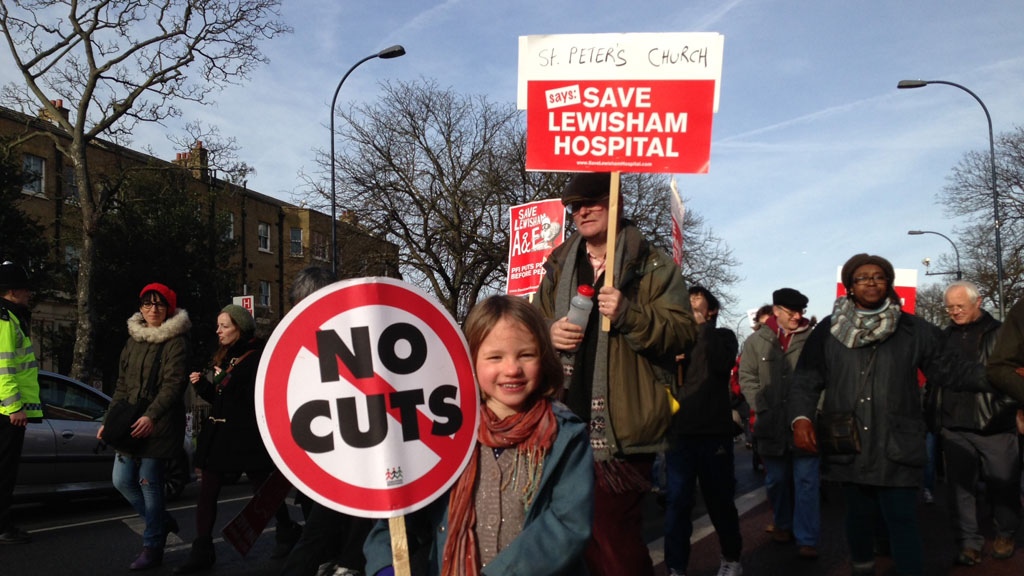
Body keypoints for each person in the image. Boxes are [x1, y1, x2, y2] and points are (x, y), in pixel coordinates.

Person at [535, 172, 696, 576]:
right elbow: (530, 323)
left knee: (611, 537)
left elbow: (681, 333)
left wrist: (629, 314)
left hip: (621, 430)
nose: (582, 211)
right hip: (559, 422)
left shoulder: (653, 265)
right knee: (564, 535)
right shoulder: (557, 263)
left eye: (593, 201)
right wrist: (547, 330)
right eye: (575, 205)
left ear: (617, 203)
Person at [364, 295, 594, 575]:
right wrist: (384, 563)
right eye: (495, 357)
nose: (512, 369)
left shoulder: (565, 435)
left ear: (543, 357)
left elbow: (567, 525)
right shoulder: (444, 433)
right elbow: (405, 511)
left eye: (526, 354)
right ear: (470, 360)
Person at [790, 253, 985, 576]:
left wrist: (1000, 376)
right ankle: (862, 568)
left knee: (903, 519)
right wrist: (801, 419)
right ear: (849, 287)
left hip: (898, 441)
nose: (871, 282)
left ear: (889, 283)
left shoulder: (914, 329)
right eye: (862, 277)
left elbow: (951, 370)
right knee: (857, 517)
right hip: (848, 441)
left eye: (878, 276)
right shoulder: (827, 330)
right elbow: (806, 380)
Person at [175, 304, 301, 573]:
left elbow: (252, 399)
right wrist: (204, 387)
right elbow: (221, 400)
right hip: (221, 435)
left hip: (245, 435)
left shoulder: (256, 357)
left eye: (225, 326)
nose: (218, 330)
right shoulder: (225, 356)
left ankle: (286, 530)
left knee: (261, 488)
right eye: (219, 325)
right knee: (208, 491)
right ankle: (202, 549)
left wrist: (220, 386)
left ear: (239, 328)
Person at [281, 266, 375, 576]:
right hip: (320, 457)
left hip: (355, 454)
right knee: (321, 530)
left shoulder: (357, 338)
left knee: (324, 534)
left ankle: (347, 563)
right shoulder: (292, 347)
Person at [99, 283, 191, 570]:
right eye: (147, 304)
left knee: (150, 484)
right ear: (140, 307)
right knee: (121, 480)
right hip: (129, 420)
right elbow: (122, 385)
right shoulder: (133, 339)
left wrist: (151, 416)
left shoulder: (176, 341)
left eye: (159, 305)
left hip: (160, 424)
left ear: (169, 309)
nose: (153, 310)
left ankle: (152, 546)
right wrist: (109, 420)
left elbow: (173, 385)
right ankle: (161, 522)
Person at [930, 281, 1019, 565]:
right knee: (959, 490)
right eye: (950, 307)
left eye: (960, 306)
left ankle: (1005, 533)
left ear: (978, 302)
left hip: (995, 424)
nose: (954, 312)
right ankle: (968, 542)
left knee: (1003, 485)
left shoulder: (1003, 333)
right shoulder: (942, 337)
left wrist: (1006, 408)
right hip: (954, 424)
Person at [663, 286, 742, 576]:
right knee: (677, 503)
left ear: (712, 311)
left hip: (714, 433)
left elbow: (723, 366)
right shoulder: (674, 340)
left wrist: (703, 329)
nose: (691, 306)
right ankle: (676, 566)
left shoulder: (723, 337)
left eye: (698, 302)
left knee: (720, 501)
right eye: (688, 302)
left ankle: (731, 558)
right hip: (679, 433)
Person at [739, 288, 820, 559]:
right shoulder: (755, 342)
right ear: (776, 311)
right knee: (776, 480)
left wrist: (814, 412)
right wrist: (760, 406)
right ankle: (783, 524)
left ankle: (807, 538)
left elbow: (825, 378)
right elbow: (747, 377)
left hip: (806, 424)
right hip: (770, 425)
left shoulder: (814, 340)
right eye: (791, 312)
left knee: (807, 481)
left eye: (801, 311)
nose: (797, 316)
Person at [0, 262, 42, 545]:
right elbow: (4, 366)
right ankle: (3, 527)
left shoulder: (12, 318)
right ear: (13, 291)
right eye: (26, 288)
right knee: (4, 470)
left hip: (7, 410)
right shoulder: (5, 320)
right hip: (7, 412)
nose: (29, 293)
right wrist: (15, 406)